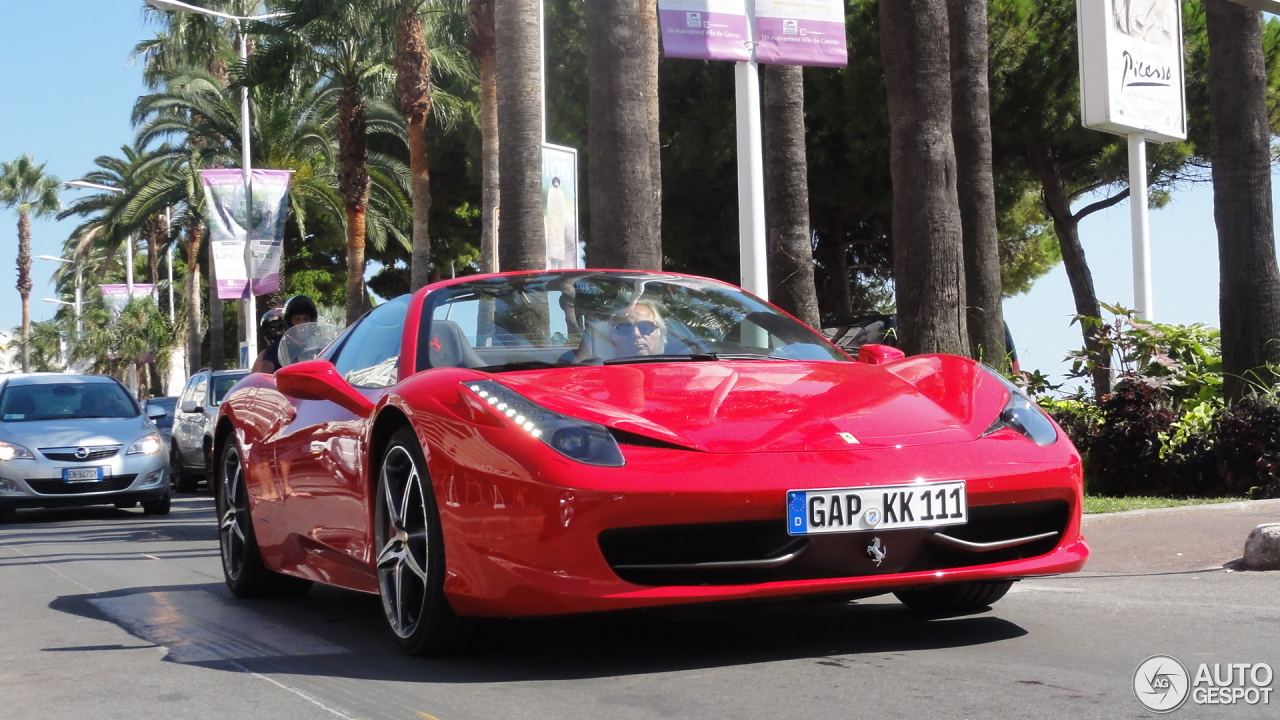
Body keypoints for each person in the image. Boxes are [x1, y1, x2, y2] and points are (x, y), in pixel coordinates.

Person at [252, 295, 318, 373]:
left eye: (306, 319)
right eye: (297, 320)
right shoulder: (278, 348)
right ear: (289, 323)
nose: (302, 324)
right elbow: (264, 374)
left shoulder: (320, 346)